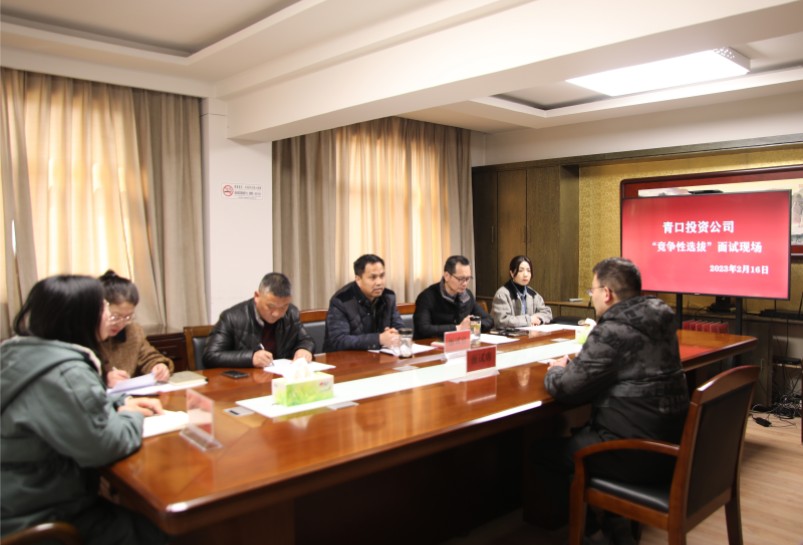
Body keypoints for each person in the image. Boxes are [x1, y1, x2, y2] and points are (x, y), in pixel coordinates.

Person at [0, 275, 166, 545]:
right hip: (37, 513)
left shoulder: (20, 353)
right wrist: (131, 415)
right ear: (81, 317)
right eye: (104, 308)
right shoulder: (67, 371)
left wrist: (118, 403)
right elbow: (106, 444)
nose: (109, 317)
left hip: (16, 496)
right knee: (163, 531)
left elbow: (69, 406)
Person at [535, 257, 689, 544]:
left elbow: (567, 389)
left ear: (606, 293)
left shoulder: (612, 329)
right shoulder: (662, 318)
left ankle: (592, 532)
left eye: (592, 290)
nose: (591, 297)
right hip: (673, 444)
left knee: (543, 453)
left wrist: (555, 370)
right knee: (579, 436)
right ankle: (615, 525)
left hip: (633, 451)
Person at [204, 272, 314, 368]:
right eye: (270, 306)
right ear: (257, 296)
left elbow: (306, 340)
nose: (276, 313)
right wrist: (251, 358)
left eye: (283, 307)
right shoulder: (232, 317)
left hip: (281, 377)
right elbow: (210, 356)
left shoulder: (291, 313)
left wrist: (304, 349)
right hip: (246, 380)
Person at [99, 270, 174, 387]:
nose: (121, 323)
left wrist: (158, 366)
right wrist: (104, 379)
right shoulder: (82, 337)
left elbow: (148, 357)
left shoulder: (132, 331)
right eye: (115, 317)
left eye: (128, 317)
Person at [323, 254, 405, 352]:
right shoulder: (341, 300)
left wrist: (395, 334)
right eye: (373, 277)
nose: (379, 282)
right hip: (345, 358)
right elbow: (339, 341)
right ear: (358, 279)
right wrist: (379, 339)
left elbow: (400, 327)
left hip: (380, 356)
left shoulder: (388, 297)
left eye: (382, 276)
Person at [413, 255, 493, 340]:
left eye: (468, 278)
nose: (465, 283)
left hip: (461, 343)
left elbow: (489, 320)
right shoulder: (427, 297)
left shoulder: (467, 295)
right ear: (447, 276)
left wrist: (472, 326)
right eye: (461, 279)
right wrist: (458, 328)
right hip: (431, 345)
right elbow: (423, 328)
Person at [491, 255, 552, 329]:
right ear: (512, 273)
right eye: (521, 270)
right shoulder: (502, 294)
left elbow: (547, 313)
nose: (525, 274)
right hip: (508, 335)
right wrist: (529, 320)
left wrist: (539, 319)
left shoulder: (533, 294)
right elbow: (501, 321)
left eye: (528, 271)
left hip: (529, 333)